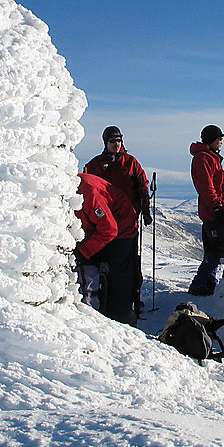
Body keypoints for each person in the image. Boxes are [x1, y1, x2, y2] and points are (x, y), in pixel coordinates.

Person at [84, 126, 152, 315]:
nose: (116, 144)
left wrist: (145, 211)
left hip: (129, 222)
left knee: (129, 262)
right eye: (112, 141)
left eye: (119, 140)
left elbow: (142, 187)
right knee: (110, 264)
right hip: (105, 223)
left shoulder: (131, 162)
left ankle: (129, 301)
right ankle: (111, 303)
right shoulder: (96, 164)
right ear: (105, 142)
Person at [75, 172, 139, 326]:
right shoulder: (72, 192)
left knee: (118, 275)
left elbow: (109, 229)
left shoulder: (87, 193)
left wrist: (83, 251)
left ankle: (121, 321)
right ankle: (103, 311)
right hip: (104, 227)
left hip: (123, 227)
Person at [187, 125, 224, 296]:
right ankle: (199, 283)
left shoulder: (209, 157)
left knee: (213, 249)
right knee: (218, 249)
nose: (221, 142)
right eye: (219, 139)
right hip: (213, 211)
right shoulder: (204, 158)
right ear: (212, 139)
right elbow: (206, 186)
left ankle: (209, 281)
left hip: (213, 209)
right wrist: (217, 206)